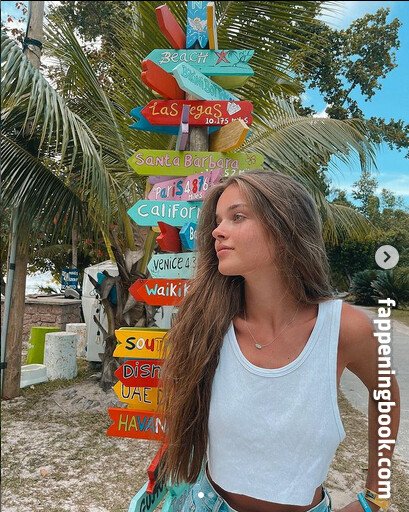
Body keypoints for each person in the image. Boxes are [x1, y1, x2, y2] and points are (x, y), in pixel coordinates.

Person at [159, 170, 401, 512]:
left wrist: (376, 497)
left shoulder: (343, 328)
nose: (217, 231)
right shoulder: (207, 324)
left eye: (237, 217)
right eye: (218, 220)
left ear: (285, 229)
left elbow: (385, 394)